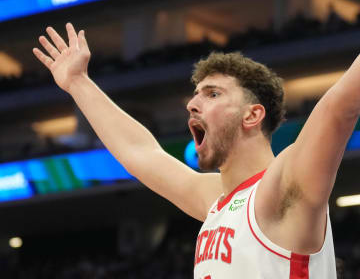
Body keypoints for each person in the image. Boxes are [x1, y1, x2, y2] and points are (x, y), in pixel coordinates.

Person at [33, 22, 356, 278]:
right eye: (195, 95)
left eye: (212, 94)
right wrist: (78, 82)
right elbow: (140, 153)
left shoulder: (285, 183)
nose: (192, 104)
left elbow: (337, 108)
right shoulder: (215, 200)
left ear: (252, 115)